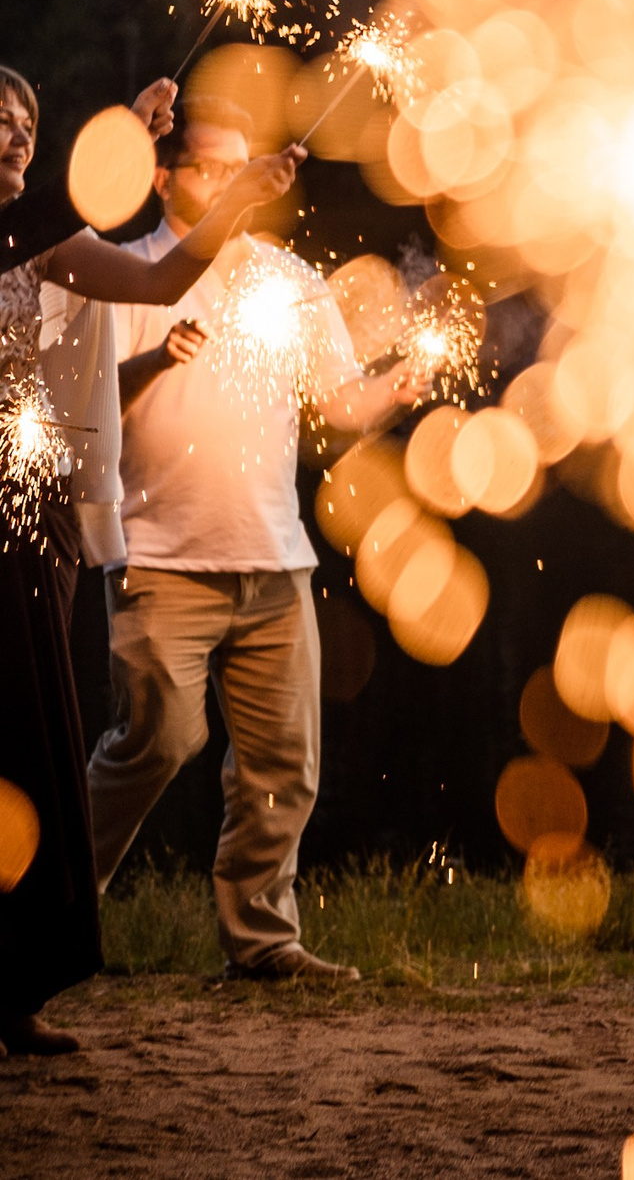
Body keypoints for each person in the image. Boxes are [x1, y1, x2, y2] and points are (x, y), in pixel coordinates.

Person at [0, 71, 302, 1056]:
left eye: (25, 126)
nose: (11, 137)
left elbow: (162, 279)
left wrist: (234, 203)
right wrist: (126, 133)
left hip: (33, 523)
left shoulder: (47, 240)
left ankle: (13, 986)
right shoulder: (19, 234)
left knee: (36, 751)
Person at [83, 101, 421, 984]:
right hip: (159, 557)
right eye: (208, 167)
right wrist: (159, 362)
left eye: (239, 166)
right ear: (163, 179)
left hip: (274, 557)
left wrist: (397, 389)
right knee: (153, 741)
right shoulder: (126, 275)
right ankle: (49, 915)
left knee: (285, 765)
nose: (228, 181)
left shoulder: (287, 279)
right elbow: (84, 413)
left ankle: (263, 941)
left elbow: (339, 403)